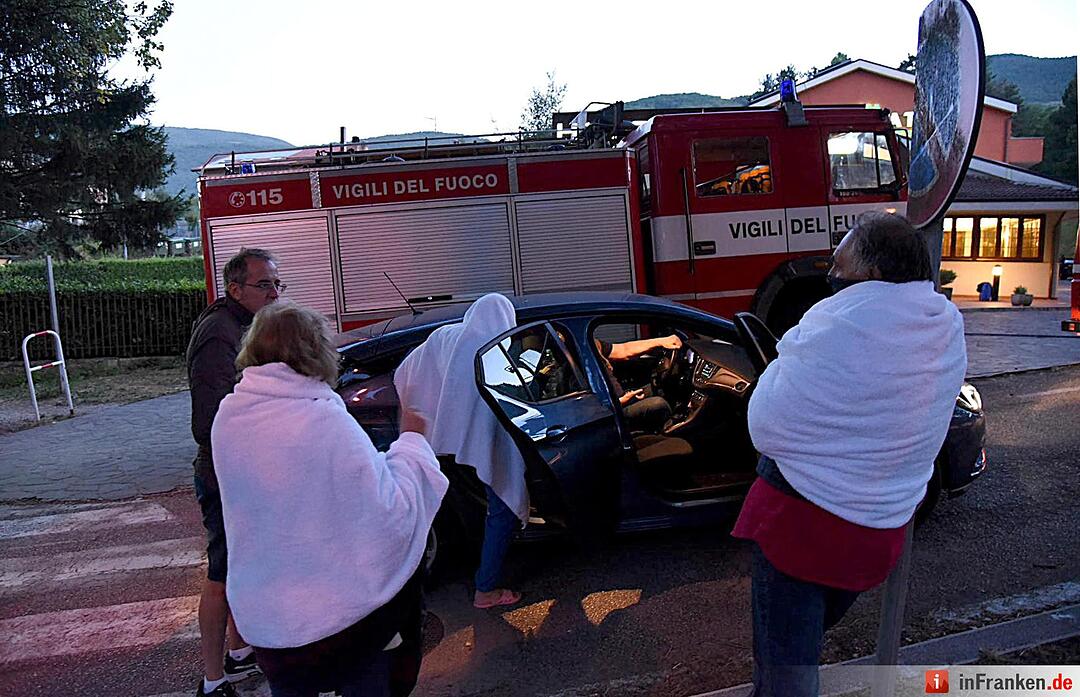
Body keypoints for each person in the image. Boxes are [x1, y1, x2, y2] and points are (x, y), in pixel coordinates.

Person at [732, 212, 967, 696]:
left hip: (800, 535)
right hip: (877, 536)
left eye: (840, 269)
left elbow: (766, 424)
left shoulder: (836, 324)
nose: (832, 279)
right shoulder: (944, 323)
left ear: (875, 275)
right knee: (804, 644)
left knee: (787, 676)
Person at [211, 301, 449, 697]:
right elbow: (388, 511)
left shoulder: (230, 417)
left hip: (269, 623)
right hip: (339, 626)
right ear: (316, 350)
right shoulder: (322, 419)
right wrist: (412, 443)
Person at [186, 248, 282, 696]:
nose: (274, 292)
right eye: (264, 285)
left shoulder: (240, 324)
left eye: (277, 283)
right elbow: (209, 420)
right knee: (222, 574)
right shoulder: (218, 334)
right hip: (223, 471)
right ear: (235, 288)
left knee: (238, 565)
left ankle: (239, 653)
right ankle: (212, 680)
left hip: (238, 467)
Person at [393, 294, 526, 609]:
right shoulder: (493, 351)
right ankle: (485, 589)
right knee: (504, 505)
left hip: (436, 442)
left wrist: (420, 408)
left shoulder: (446, 336)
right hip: (484, 442)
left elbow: (405, 371)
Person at [595, 334, 682, 433]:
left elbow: (623, 350)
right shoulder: (574, 360)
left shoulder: (589, 343)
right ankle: (669, 440)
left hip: (619, 399)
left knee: (659, 389)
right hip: (610, 412)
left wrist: (662, 341)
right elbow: (587, 406)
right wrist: (619, 401)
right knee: (658, 405)